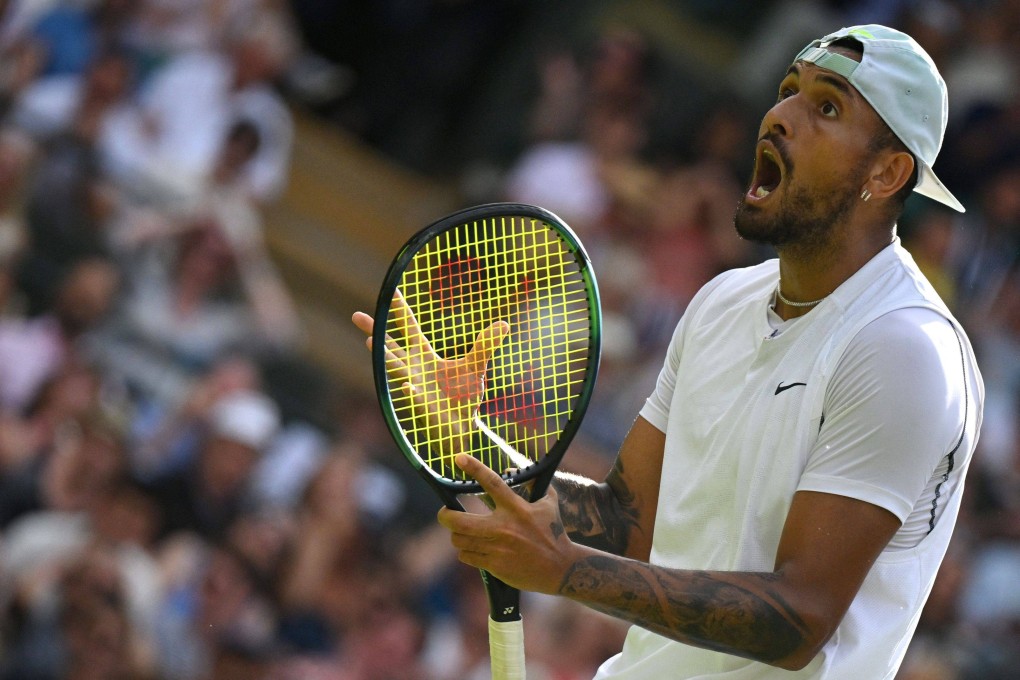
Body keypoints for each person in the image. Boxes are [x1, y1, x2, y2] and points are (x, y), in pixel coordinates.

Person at [351, 24, 984, 679]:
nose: (780, 117)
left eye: (826, 108)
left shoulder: (905, 349)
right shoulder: (723, 301)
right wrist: (476, 436)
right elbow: (631, 515)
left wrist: (568, 572)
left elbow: (800, 619)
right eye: (787, 90)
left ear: (887, 171)